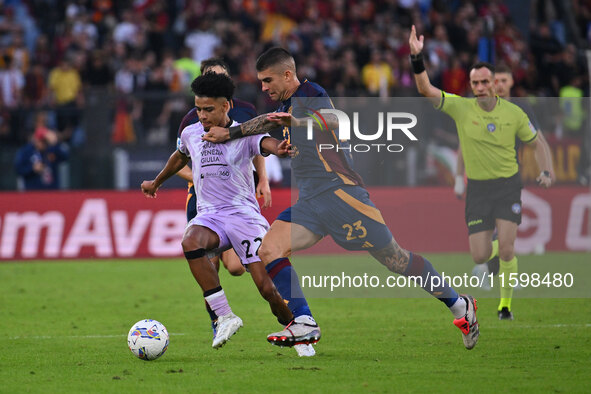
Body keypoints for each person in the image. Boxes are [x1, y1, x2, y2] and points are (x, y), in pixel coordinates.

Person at [203, 47, 480, 351]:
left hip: (341, 193)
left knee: (396, 259)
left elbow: (335, 122)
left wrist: (296, 124)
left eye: (268, 80)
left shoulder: (313, 93)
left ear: (287, 74)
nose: (263, 87)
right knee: (268, 249)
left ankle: (459, 304)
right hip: (310, 201)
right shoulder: (287, 105)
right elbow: (269, 122)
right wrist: (229, 134)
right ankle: (305, 321)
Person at [409, 25, 554, 321]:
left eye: (486, 82)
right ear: (472, 86)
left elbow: (537, 142)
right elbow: (425, 89)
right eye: (476, 83)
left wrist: (547, 170)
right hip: (478, 189)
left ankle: (504, 307)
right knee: (479, 255)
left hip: (507, 186)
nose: (482, 87)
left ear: (494, 84)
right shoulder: (462, 108)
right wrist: (416, 57)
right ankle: (489, 267)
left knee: (508, 249)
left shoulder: (514, 113)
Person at [141, 72, 293, 349]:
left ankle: (297, 331)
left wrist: (280, 149)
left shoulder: (243, 132)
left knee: (268, 289)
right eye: (198, 109)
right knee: (190, 241)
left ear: (226, 106)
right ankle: (224, 316)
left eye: (208, 109)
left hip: (243, 217)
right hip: (210, 215)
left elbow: (265, 144)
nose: (202, 115)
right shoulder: (191, 133)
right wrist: (156, 182)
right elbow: (179, 157)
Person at [14, 112, 69, 190]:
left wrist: (55, 142)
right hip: (32, 193)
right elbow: (18, 169)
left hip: (52, 194)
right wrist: (32, 168)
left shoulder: (52, 148)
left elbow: (65, 157)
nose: (41, 142)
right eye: (40, 122)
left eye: (45, 122)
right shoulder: (27, 150)